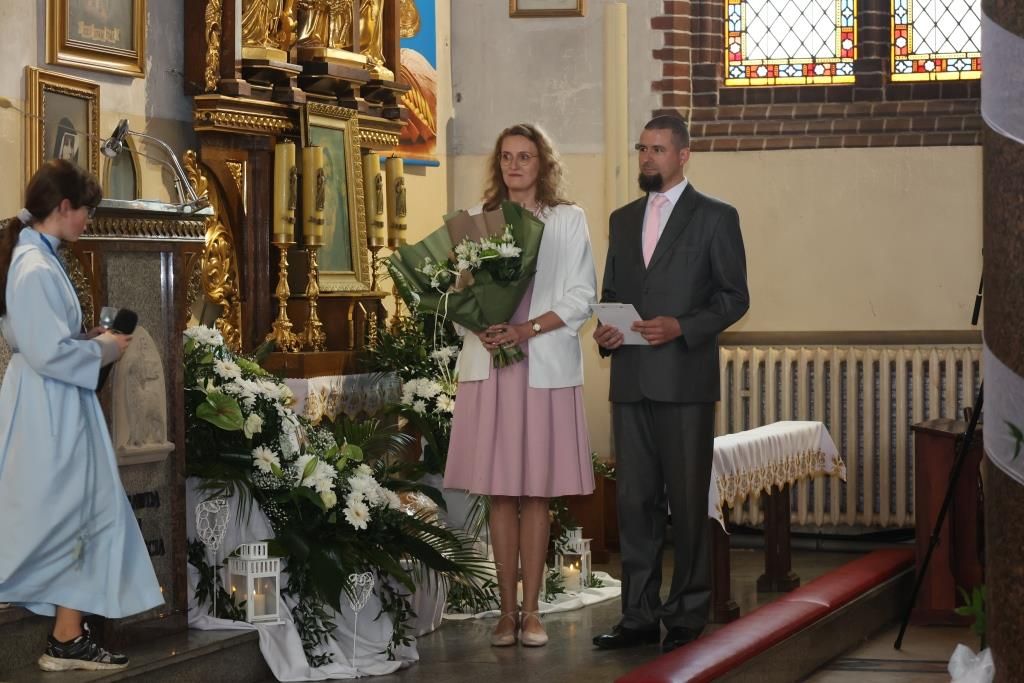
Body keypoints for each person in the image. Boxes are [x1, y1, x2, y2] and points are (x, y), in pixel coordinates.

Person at [592, 115, 749, 653]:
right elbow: (612, 291)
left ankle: (686, 613)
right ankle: (637, 615)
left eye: (657, 149)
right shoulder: (621, 219)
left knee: (686, 503)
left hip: (684, 381)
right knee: (634, 504)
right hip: (630, 381)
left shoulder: (716, 217)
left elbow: (734, 297)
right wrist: (607, 332)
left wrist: (682, 326)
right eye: (642, 148)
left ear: (683, 155)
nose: (646, 158)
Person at [0, 160, 164, 671]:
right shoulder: (32, 265)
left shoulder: (41, 256)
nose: (88, 221)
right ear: (63, 206)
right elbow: (45, 352)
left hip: (57, 400)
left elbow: (50, 340)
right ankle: (65, 637)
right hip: (48, 406)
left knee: (84, 511)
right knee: (62, 513)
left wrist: (87, 340)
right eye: (86, 211)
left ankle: (67, 636)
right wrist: (105, 349)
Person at [444, 123, 597, 648]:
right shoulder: (477, 219)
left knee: (536, 491)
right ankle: (505, 614)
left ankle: (532, 612)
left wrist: (526, 329)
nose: (514, 165)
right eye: (506, 156)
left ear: (542, 163)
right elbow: (458, 292)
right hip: (492, 363)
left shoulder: (567, 219)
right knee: (501, 491)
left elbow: (581, 295)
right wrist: (480, 325)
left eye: (525, 156)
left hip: (541, 360)